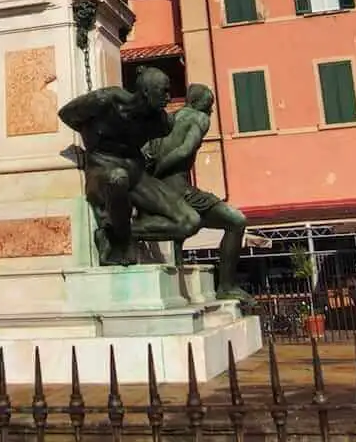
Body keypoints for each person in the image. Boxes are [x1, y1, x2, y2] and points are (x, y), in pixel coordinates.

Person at [58, 67, 201, 266]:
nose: (168, 98)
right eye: (164, 91)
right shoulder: (106, 101)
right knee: (118, 177)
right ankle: (120, 243)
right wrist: (89, 135)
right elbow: (66, 114)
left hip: (137, 175)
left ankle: (116, 232)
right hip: (103, 169)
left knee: (189, 222)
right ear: (146, 92)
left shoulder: (160, 123)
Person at [140, 83, 253, 302]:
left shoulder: (165, 122)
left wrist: (152, 175)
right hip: (181, 192)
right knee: (236, 221)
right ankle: (227, 286)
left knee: (188, 226)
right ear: (196, 103)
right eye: (209, 104)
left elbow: (145, 153)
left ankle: (179, 264)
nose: (211, 110)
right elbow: (185, 150)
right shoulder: (199, 118)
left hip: (158, 193)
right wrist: (161, 168)